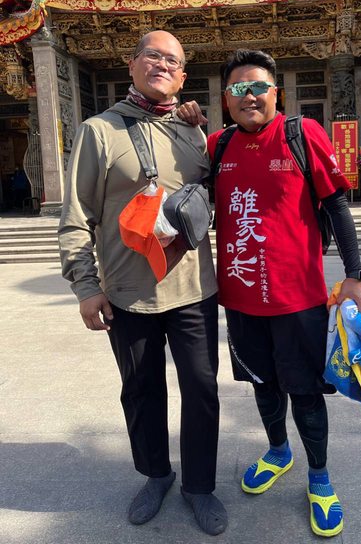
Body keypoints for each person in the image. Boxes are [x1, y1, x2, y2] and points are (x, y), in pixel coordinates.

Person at [176, 49, 361, 538]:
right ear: (226, 99)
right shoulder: (217, 145)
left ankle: (320, 479)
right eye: (238, 89)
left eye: (259, 86)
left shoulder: (301, 134)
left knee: (304, 392)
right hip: (241, 299)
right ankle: (278, 452)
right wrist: (184, 122)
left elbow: (337, 206)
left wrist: (354, 275)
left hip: (297, 300)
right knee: (263, 385)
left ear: (275, 93)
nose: (250, 96)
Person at [58, 30, 228, 536]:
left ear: (183, 75)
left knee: (202, 390)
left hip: (194, 290)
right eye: (152, 55)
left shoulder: (193, 131)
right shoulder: (98, 131)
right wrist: (86, 286)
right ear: (131, 64)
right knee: (141, 390)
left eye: (172, 60)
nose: (162, 64)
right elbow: (76, 215)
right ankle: (156, 474)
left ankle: (200, 485)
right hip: (128, 294)